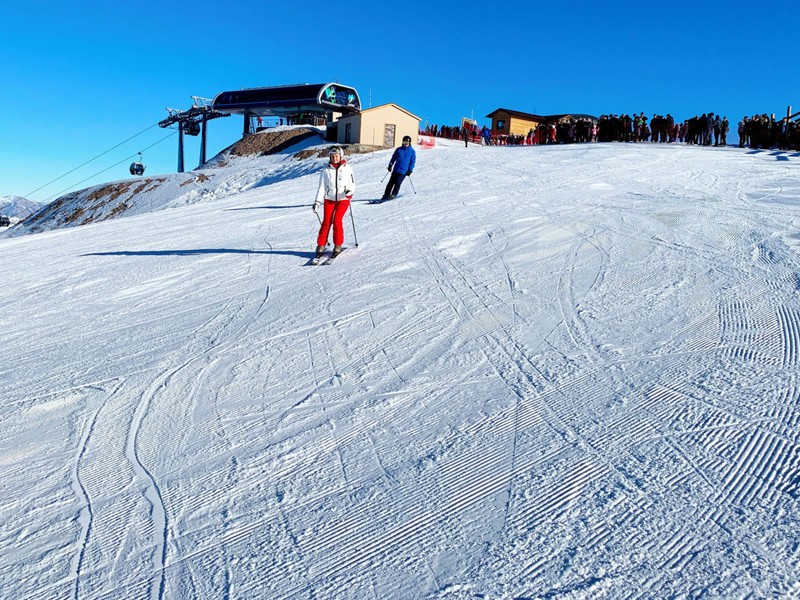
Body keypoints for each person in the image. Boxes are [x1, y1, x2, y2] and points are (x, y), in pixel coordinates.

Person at [313, 146, 354, 260]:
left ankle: (337, 245)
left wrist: (349, 191)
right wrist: (317, 202)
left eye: (336, 156)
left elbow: (352, 184)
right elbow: (321, 187)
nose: (334, 158)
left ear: (340, 156)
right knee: (326, 222)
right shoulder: (326, 170)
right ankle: (321, 244)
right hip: (329, 199)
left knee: (336, 221)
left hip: (343, 199)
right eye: (332, 156)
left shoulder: (347, 168)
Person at [382, 135, 416, 200]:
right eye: (404, 142)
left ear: (409, 143)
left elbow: (412, 162)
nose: (405, 144)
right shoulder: (399, 150)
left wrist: (410, 170)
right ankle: (386, 195)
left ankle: (393, 194)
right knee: (390, 183)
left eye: (407, 142)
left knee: (397, 182)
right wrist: (390, 165)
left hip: (404, 171)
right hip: (396, 169)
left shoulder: (412, 152)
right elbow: (393, 158)